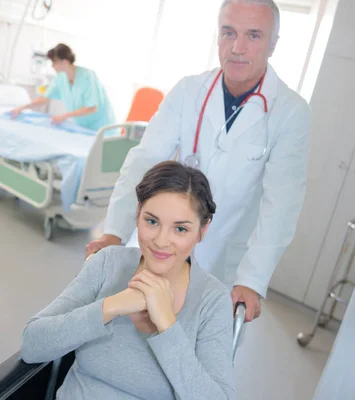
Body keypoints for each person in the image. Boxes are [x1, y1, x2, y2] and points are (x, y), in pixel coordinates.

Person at [86, 0, 312, 323]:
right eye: (228, 32)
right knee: (138, 331)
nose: (237, 47)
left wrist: (252, 280)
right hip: (164, 245)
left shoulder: (290, 113)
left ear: (273, 44)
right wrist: (114, 232)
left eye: (254, 36)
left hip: (227, 262)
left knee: (198, 350)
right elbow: (145, 160)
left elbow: (282, 204)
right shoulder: (188, 91)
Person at [20, 161, 235, 400]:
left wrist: (166, 325)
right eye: (151, 221)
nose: (161, 241)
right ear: (138, 215)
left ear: (202, 230)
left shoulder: (212, 300)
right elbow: (32, 345)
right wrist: (111, 306)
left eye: (180, 229)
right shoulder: (107, 263)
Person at [10, 43, 116, 131]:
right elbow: (44, 99)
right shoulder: (60, 79)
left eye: (54, 62)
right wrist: (22, 107)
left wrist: (64, 116)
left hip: (102, 128)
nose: (52, 66)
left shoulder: (88, 77)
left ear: (65, 61)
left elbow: (92, 107)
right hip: (83, 128)